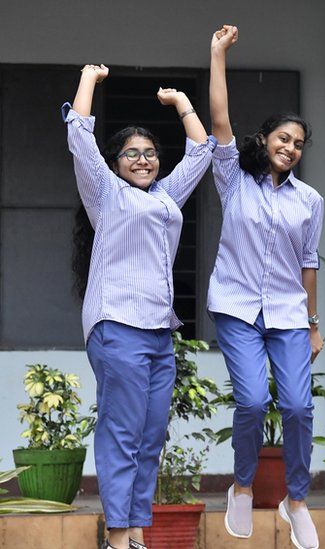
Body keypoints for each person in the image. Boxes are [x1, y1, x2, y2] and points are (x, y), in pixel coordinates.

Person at [66, 64, 214, 549]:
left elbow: (201, 151)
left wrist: (181, 105)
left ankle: (135, 533)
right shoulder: (107, 194)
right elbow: (80, 137)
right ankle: (118, 533)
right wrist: (89, 79)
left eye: (150, 153)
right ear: (116, 162)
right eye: (132, 153)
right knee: (122, 433)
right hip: (117, 326)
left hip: (158, 332)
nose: (143, 159)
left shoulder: (168, 197)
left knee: (150, 438)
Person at [209, 25, 325, 549]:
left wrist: (313, 323)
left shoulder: (310, 201)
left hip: (288, 315)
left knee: (299, 407)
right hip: (235, 307)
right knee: (254, 401)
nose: (291, 148)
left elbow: (308, 263)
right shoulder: (234, 179)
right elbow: (219, 120)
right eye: (284, 138)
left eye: (299, 144)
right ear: (265, 140)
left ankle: (295, 499)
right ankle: (241, 485)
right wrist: (217, 55)